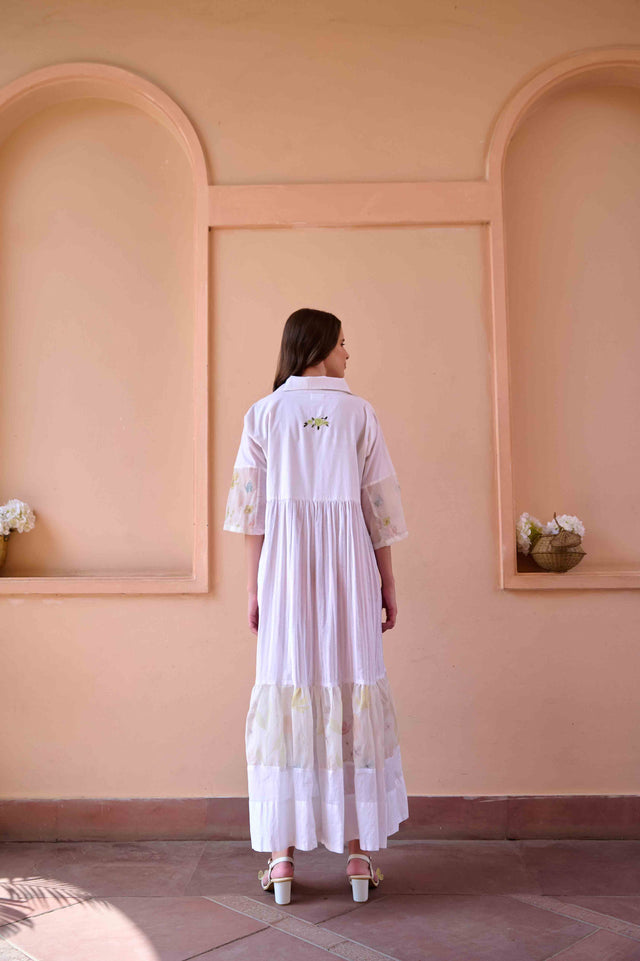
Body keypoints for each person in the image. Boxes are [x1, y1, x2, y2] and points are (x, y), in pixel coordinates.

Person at [223, 307, 409, 905]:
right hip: (349, 571)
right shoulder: (359, 413)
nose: (348, 354)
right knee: (350, 686)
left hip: (284, 572)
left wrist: (254, 587)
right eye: (344, 343)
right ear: (321, 346)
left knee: (288, 686)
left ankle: (281, 860)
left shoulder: (263, 414)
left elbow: (251, 514)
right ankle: (357, 855)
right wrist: (386, 582)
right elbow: (379, 509)